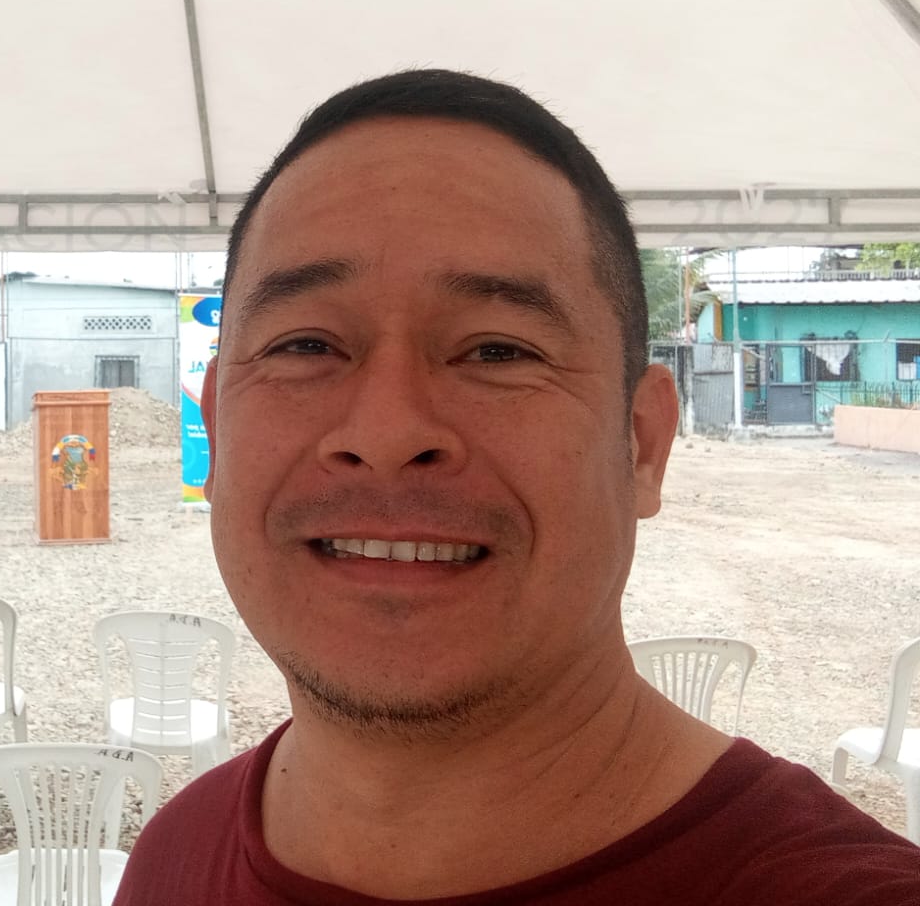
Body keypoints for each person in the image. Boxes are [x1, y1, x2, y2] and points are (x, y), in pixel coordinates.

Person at [114, 70, 920, 905]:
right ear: (216, 433)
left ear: (642, 444)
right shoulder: (174, 859)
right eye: (305, 345)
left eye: (498, 351)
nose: (386, 434)